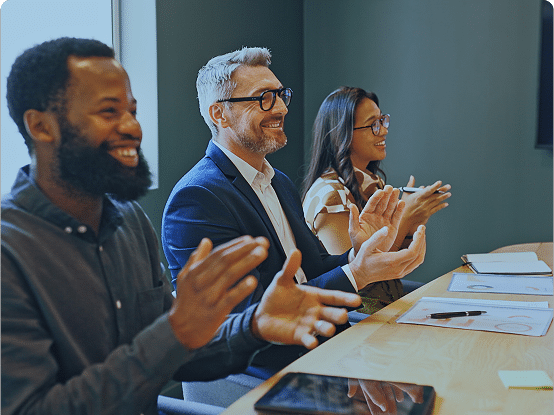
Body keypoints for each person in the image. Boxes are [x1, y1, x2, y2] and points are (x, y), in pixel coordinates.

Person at [0, 37, 363, 415]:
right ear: (41, 127)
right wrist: (172, 334)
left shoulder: (129, 222)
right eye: (109, 112)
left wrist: (254, 326)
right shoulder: (10, 251)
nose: (132, 128)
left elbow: (180, 355)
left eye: (132, 111)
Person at [162, 47, 427, 376]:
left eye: (281, 95)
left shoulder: (279, 182)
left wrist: (360, 254)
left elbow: (312, 269)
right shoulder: (198, 198)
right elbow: (249, 318)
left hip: (331, 345)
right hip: (277, 373)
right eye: (264, 98)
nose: (282, 107)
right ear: (220, 114)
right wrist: (357, 273)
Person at [302, 86, 451, 313]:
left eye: (382, 120)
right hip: (355, 315)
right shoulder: (330, 195)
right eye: (373, 124)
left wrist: (413, 221)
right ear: (343, 134)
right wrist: (406, 215)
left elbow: (396, 262)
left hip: (385, 301)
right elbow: (359, 282)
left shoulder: (371, 184)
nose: (383, 131)